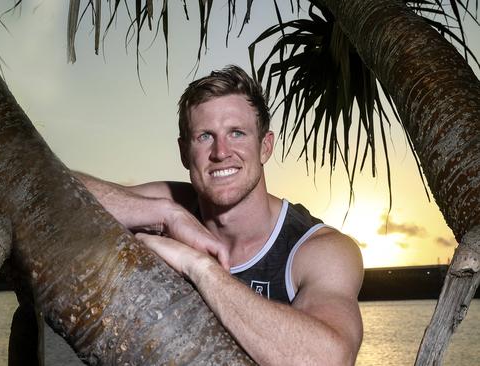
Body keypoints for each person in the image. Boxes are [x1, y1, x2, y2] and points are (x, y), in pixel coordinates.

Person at [75, 65, 363, 365]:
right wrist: (165, 213)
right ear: (184, 152)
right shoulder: (174, 204)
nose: (221, 151)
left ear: (265, 147)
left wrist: (200, 268)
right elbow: (55, 187)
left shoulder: (319, 250)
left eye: (237, 133)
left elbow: (329, 360)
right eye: (204, 137)